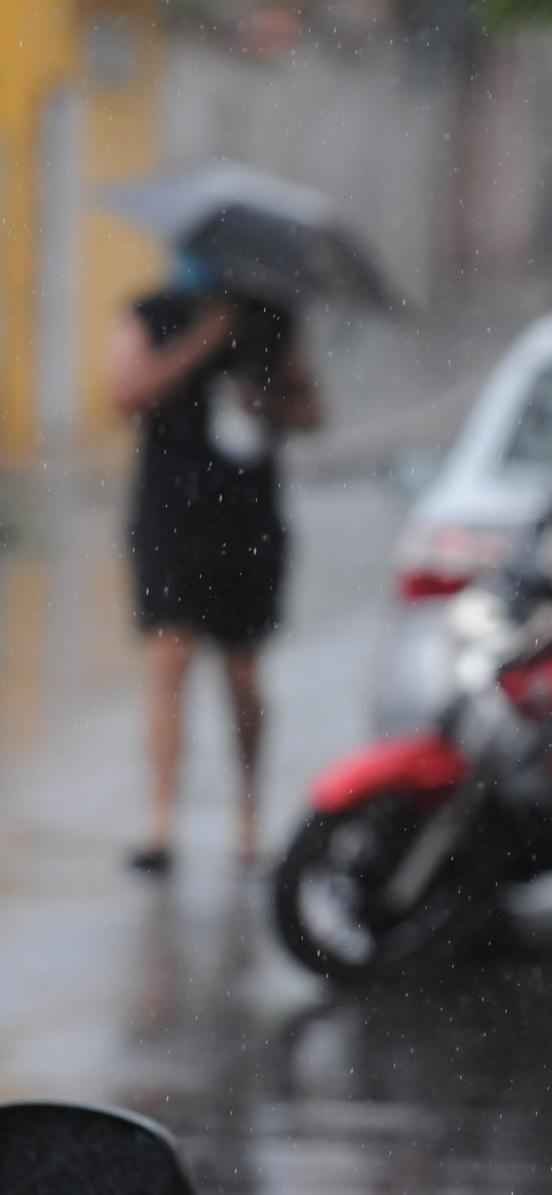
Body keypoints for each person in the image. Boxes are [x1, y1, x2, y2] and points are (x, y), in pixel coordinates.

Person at [109, 259, 322, 875]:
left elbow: (312, 410)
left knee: (242, 673)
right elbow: (125, 394)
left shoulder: (272, 321)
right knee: (168, 659)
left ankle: (249, 817)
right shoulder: (151, 313)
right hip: (170, 515)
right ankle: (161, 822)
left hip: (246, 520)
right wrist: (201, 341)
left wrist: (270, 398)